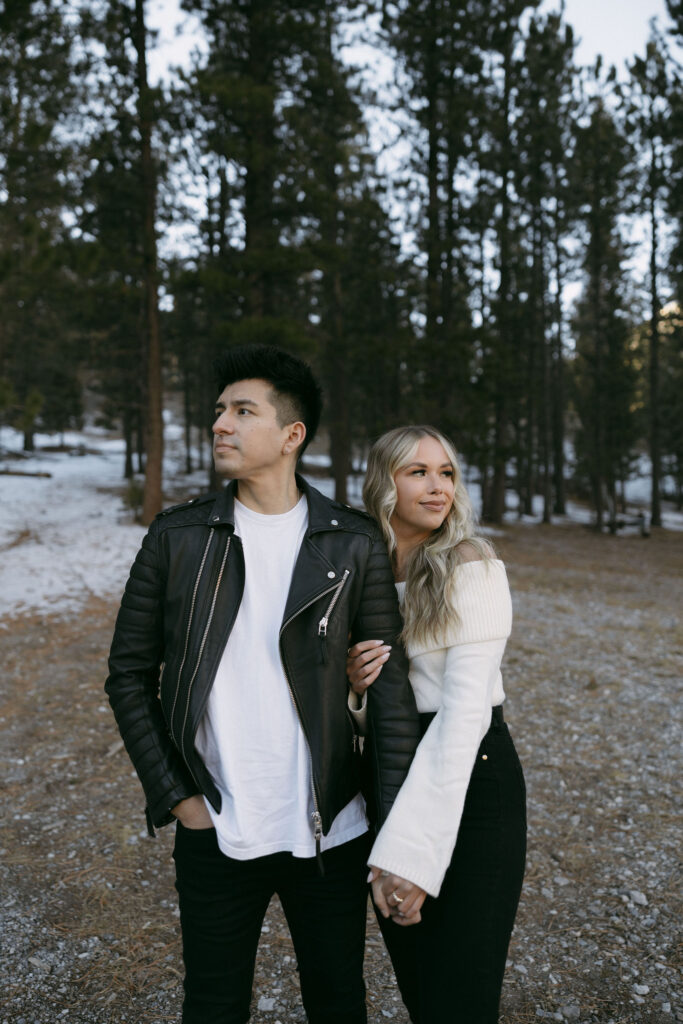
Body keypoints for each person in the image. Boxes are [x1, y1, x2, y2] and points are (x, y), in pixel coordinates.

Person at [105, 345, 422, 1024]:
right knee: (214, 1005)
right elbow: (128, 675)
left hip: (331, 830)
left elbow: (389, 695)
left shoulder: (353, 542)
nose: (219, 423)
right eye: (219, 410)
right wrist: (177, 796)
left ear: (290, 435)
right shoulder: (177, 537)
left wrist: (395, 837)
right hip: (217, 826)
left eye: (241, 411)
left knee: (338, 1004)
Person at [347, 425, 527, 1024]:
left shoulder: (469, 564)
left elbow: (464, 715)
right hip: (390, 772)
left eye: (446, 472)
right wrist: (355, 690)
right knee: (422, 990)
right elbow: (368, 713)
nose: (437, 486)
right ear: (384, 481)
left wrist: (411, 857)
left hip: (470, 778)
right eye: (417, 471)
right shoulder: (364, 569)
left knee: (461, 997)